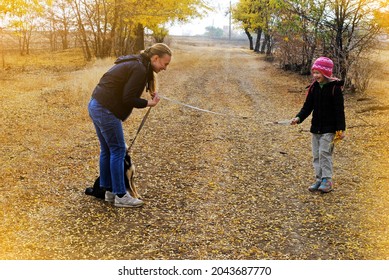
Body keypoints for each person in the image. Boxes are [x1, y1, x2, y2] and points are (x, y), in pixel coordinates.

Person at [88, 43, 172, 207]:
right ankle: (121, 195)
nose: (165, 68)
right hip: (105, 109)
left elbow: (128, 88)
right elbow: (129, 98)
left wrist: (150, 91)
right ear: (155, 58)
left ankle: (109, 192)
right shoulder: (139, 68)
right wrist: (149, 103)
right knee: (118, 150)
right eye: (165, 63)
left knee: (107, 150)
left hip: (96, 105)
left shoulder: (139, 64)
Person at [291, 57, 346, 193]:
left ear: (326, 73)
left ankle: (327, 180)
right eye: (314, 72)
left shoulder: (335, 88)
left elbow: (339, 111)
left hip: (330, 129)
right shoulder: (313, 88)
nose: (315, 76)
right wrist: (298, 118)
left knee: (324, 153)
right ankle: (319, 179)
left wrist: (341, 129)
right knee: (316, 155)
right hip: (316, 128)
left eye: (318, 73)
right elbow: (307, 106)